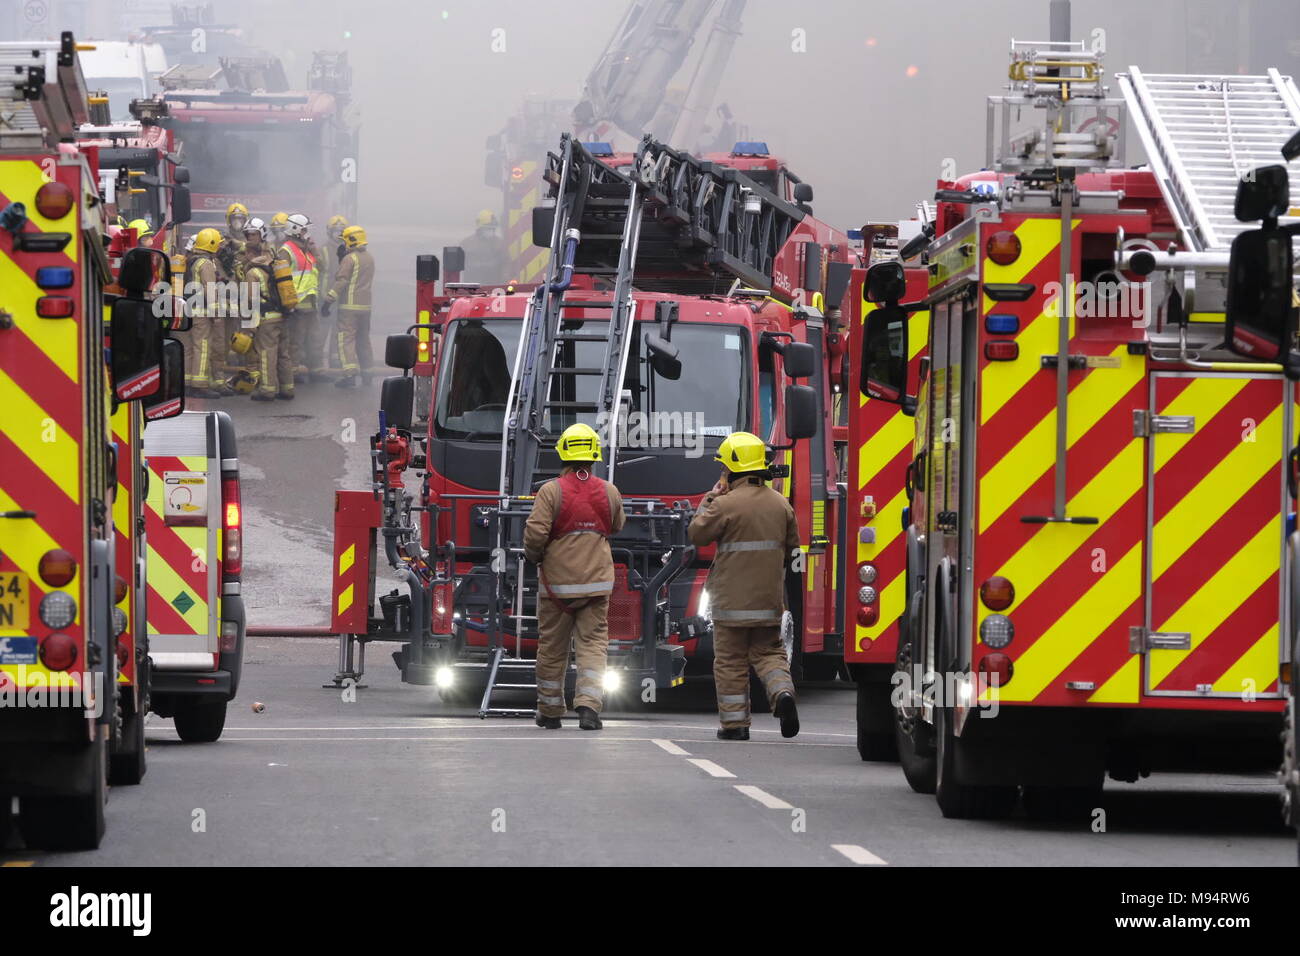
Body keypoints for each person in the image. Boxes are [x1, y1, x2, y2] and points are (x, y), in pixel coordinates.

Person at [688, 431, 800, 741]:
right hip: (768, 601)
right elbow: (793, 549)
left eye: (724, 467)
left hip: (731, 603)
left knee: (731, 661)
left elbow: (697, 534)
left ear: (733, 469)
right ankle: (782, 694)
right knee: (770, 654)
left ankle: (735, 725)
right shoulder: (781, 504)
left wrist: (712, 497)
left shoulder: (724, 505)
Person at [523, 423, 626, 731]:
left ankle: (550, 711)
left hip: (557, 587)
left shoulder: (551, 491)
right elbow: (617, 525)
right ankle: (589, 708)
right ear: (595, 455)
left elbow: (535, 533)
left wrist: (535, 556)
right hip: (596, 585)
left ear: (563, 455)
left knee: (552, 648)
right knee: (593, 646)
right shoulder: (608, 491)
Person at [242, 222, 292, 403]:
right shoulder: (275, 265)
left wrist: (249, 323)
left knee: (266, 353)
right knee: (283, 353)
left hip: (266, 319)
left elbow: (250, 300)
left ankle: (267, 390)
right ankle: (287, 388)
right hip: (283, 315)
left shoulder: (252, 272)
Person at [180, 227, 230, 398]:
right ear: (212, 244)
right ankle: (199, 385)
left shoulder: (190, 260)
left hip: (187, 309)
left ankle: (186, 383)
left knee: (187, 348)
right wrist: (216, 314)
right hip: (201, 312)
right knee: (202, 347)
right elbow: (210, 290)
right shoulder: (206, 264)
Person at [322, 224, 374, 388]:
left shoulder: (349, 259)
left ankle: (349, 374)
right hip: (365, 308)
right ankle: (367, 373)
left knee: (346, 339)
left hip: (349, 307)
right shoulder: (369, 257)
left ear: (350, 241)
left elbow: (342, 280)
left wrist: (328, 301)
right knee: (363, 340)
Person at [275, 213, 320, 383]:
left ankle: (314, 370)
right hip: (296, 304)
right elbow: (281, 279)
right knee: (295, 341)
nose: (307, 233)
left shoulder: (306, 250)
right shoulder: (286, 250)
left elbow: (321, 268)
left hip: (309, 302)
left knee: (312, 338)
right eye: (305, 230)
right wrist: (288, 304)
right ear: (295, 230)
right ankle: (292, 373)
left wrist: (314, 250)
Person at [458, 209, 506, 284]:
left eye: (492, 228)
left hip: (494, 287)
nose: (491, 231)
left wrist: (504, 281)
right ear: (480, 228)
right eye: (488, 228)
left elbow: (506, 263)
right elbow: (459, 267)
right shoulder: (467, 244)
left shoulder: (499, 243)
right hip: (471, 288)